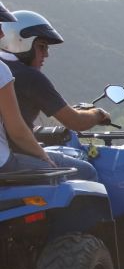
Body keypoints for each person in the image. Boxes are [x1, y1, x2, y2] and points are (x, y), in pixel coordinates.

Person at [0, 10, 109, 180]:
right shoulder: (30, 77)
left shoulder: (5, 66)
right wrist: (98, 114)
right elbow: (75, 121)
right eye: (41, 46)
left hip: (11, 151)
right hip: (15, 156)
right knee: (88, 171)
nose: (46, 54)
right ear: (22, 42)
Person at [0, 1, 58, 174]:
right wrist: (44, 157)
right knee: (83, 171)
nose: (2, 34)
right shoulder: (1, 70)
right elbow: (16, 130)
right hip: (3, 164)